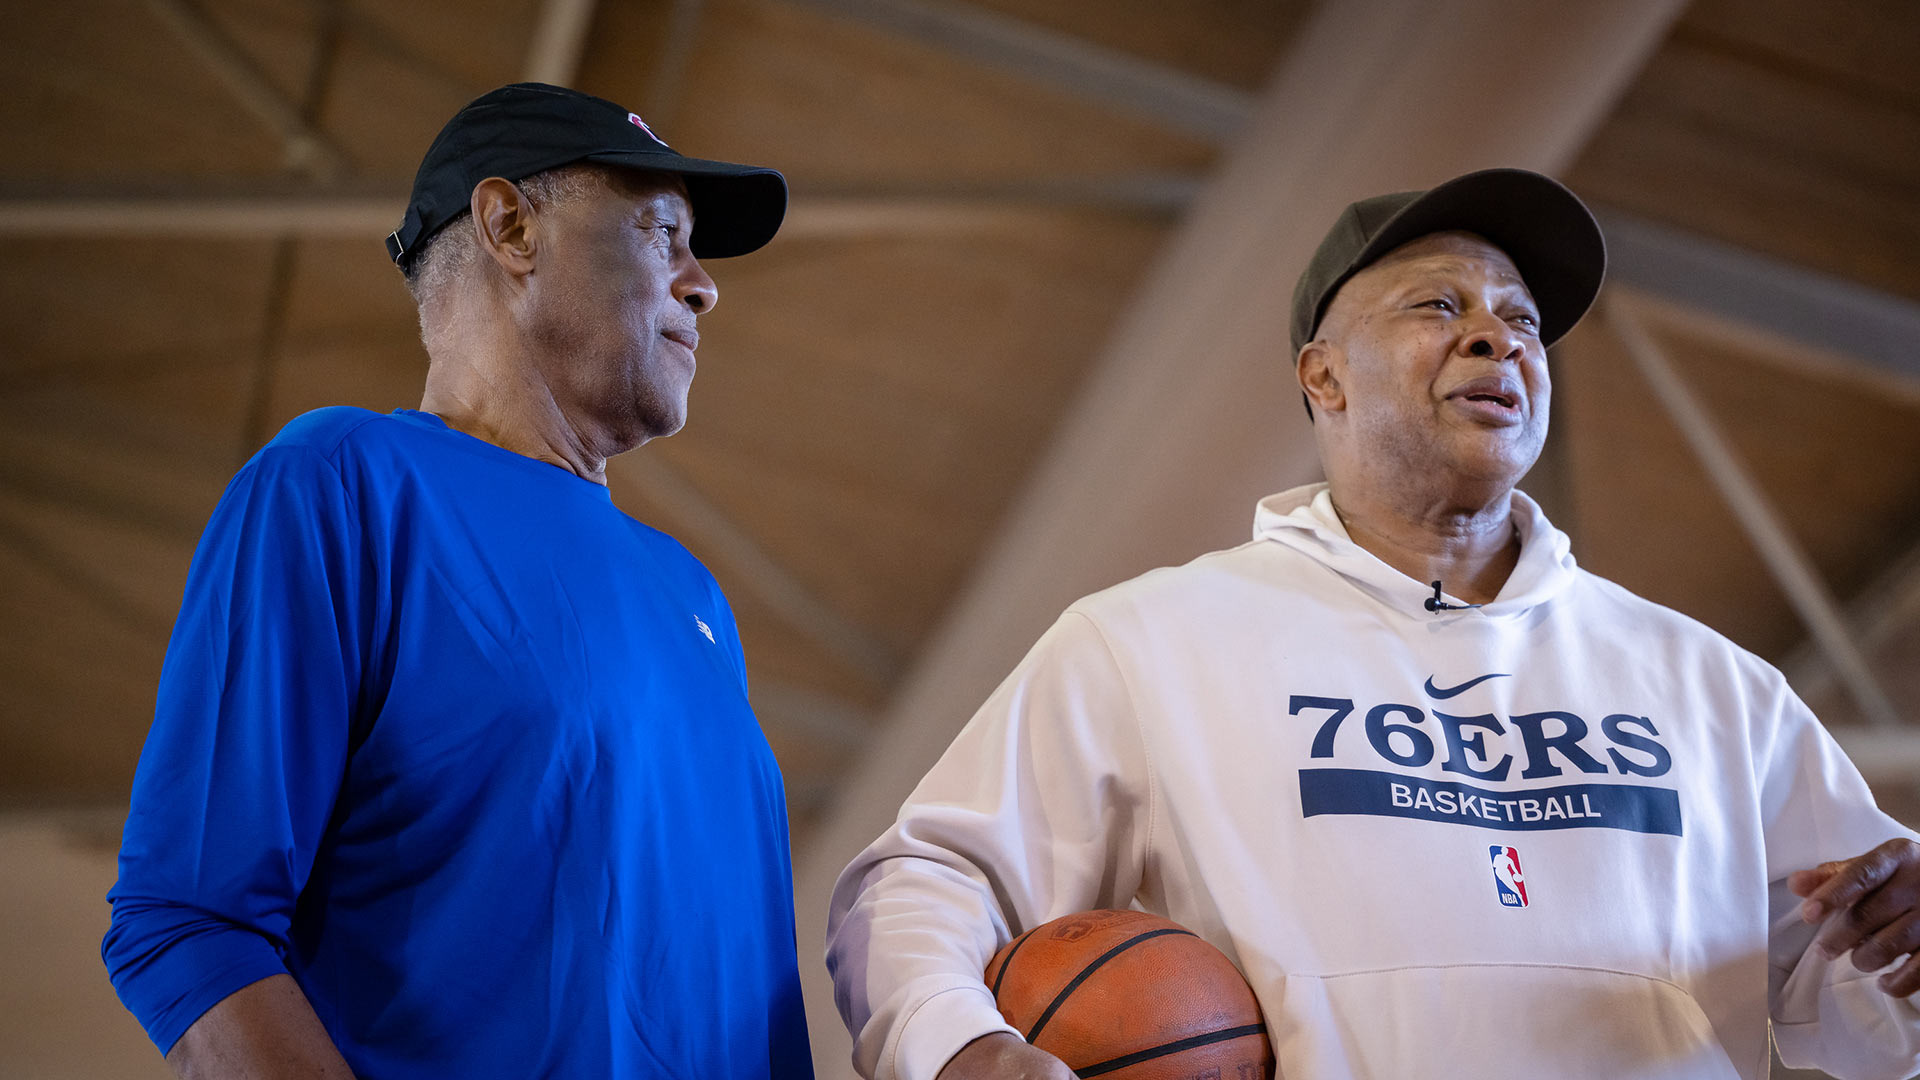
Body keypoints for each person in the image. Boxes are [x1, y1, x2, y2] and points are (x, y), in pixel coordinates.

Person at [823, 168, 1920, 1080]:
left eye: (1522, 321)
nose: (1499, 338)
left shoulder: (1715, 689)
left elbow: (1876, 1005)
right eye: (1440, 307)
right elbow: (924, 881)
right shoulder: (1151, 642)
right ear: (1323, 376)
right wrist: (958, 1046)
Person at [102, 83, 811, 1079]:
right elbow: (187, 921)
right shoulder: (347, 483)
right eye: (661, 232)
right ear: (512, 227)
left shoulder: (694, 597)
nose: (703, 285)